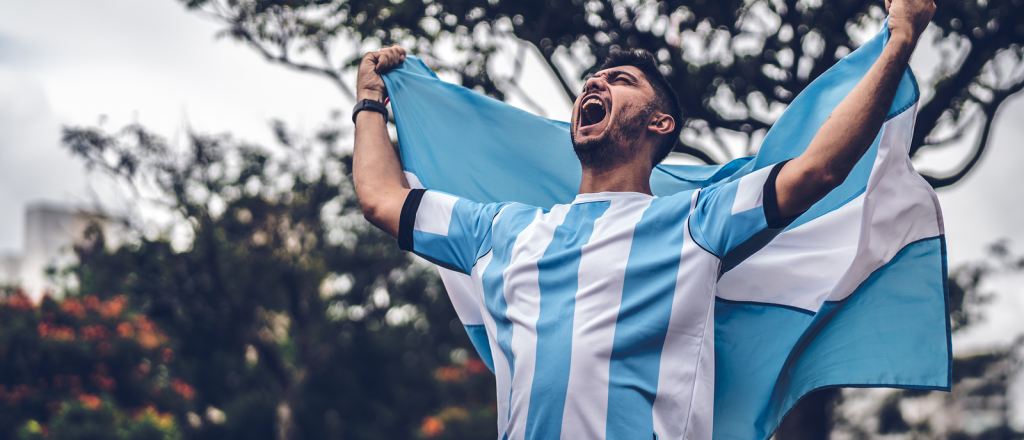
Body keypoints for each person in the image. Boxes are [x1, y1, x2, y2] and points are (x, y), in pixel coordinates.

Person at [351, 0, 935, 436]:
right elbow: (380, 198)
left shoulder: (696, 223)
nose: (595, 83)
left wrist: (900, 41)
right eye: (593, 80)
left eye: (620, 81)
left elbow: (817, 170)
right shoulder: (500, 231)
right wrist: (371, 98)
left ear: (660, 124)